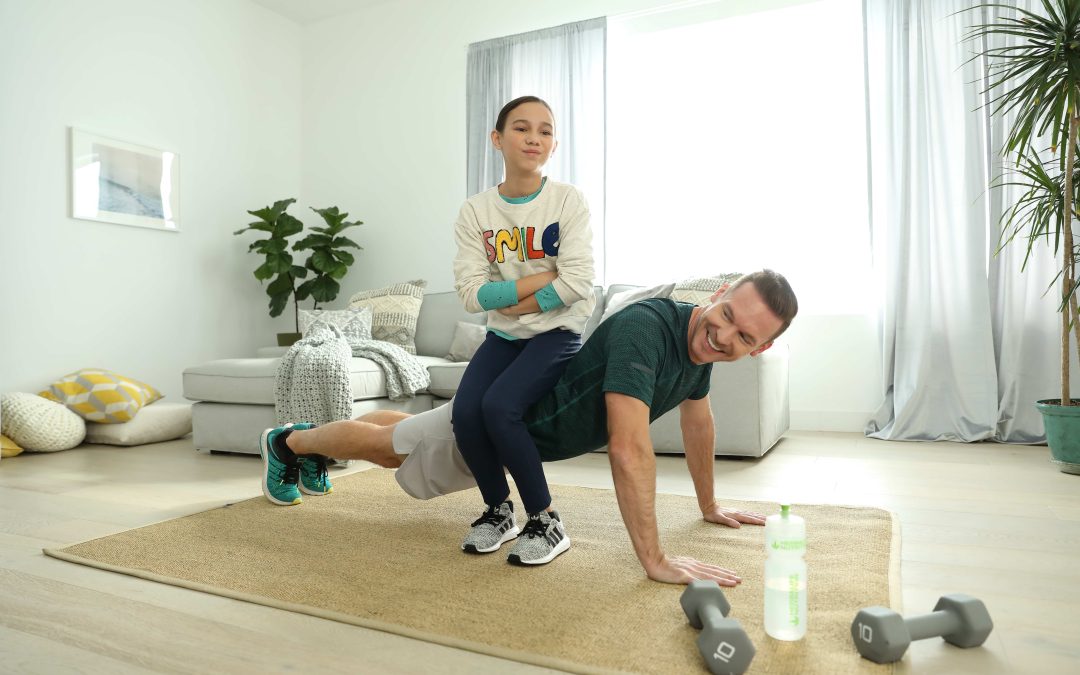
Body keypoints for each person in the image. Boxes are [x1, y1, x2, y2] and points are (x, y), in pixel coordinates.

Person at [259, 270, 798, 585]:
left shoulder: (698, 355)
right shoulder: (649, 330)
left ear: (762, 348)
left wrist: (709, 507)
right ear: (718, 293)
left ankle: (316, 435)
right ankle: (289, 442)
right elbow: (628, 448)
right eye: (726, 314)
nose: (725, 335)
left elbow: (699, 424)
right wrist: (653, 559)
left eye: (745, 337)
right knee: (387, 449)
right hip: (503, 429)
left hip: (515, 425)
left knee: (409, 432)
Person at [450, 95, 595, 565]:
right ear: (497, 139)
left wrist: (514, 298)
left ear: (553, 144)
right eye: (521, 128)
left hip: (557, 332)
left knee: (500, 406)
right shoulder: (476, 211)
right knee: (466, 411)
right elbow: (473, 295)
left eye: (545, 131)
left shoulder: (567, 200)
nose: (534, 138)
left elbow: (577, 281)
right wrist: (538, 282)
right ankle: (498, 511)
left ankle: (546, 519)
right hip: (504, 335)